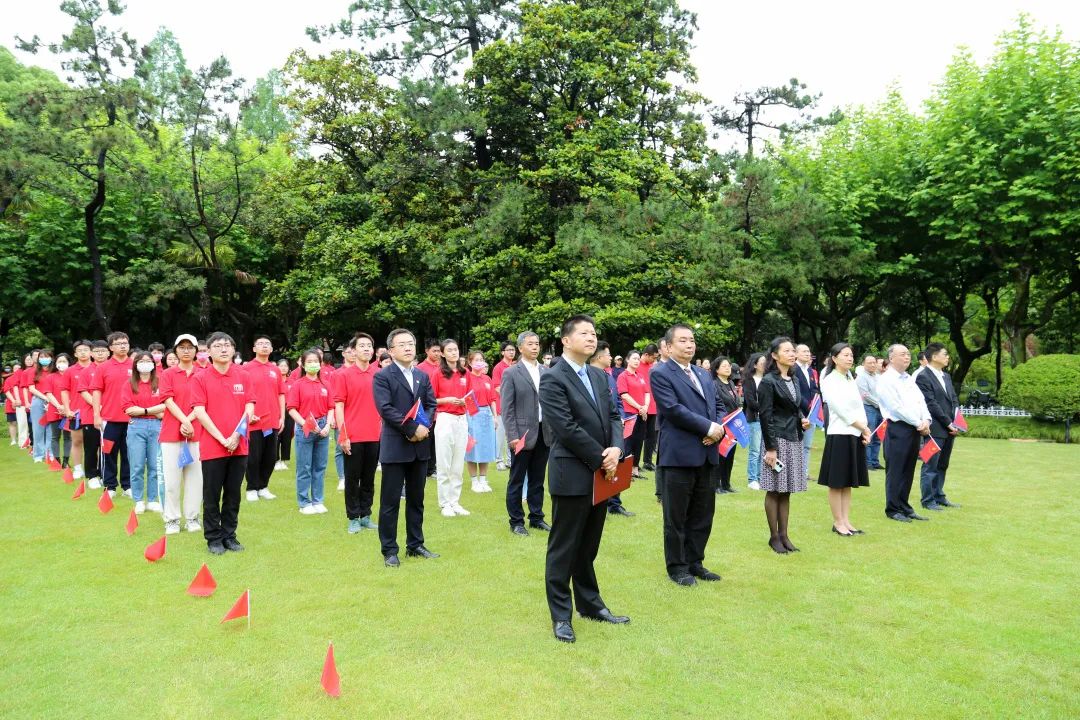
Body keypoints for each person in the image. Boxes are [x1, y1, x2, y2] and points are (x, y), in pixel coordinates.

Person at [539, 314, 628, 643]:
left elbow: (615, 415)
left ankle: (590, 605)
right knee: (564, 547)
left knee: (588, 545)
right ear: (566, 340)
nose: (592, 338)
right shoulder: (553, 378)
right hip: (573, 472)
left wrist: (617, 449)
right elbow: (565, 427)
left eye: (594, 333)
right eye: (584, 333)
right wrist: (602, 457)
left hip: (603, 472)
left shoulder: (599, 375)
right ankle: (561, 615)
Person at [650, 325, 724, 585]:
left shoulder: (703, 374)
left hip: (707, 453)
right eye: (682, 340)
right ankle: (678, 567)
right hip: (679, 455)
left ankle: (695, 562)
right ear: (669, 346)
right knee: (676, 516)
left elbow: (717, 404)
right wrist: (708, 428)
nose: (689, 345)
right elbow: (672, 409)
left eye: (692, 340)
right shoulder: (660, 373)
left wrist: (718, 429)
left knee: (703, 514)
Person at [373, 329, 439, 567]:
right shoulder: (383, 376)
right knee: (390, 501)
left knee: (416, 499)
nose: (408, 348)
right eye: (402, 344)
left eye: (410, 343)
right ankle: (389, 550)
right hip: (396, 445)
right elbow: (385, 409)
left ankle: (416, 544)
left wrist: (424, 426)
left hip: (420, 446)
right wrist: (411, 429)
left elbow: (431, 404)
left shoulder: (422, 375)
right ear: (391, 351)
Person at [190, 332, 255, 555]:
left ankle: (229, 535)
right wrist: (222, 438)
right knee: (212, 493)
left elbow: (250, 407)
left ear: (233, 349)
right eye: (218, 346)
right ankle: (213, 538)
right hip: (213, 446)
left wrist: (237, 435)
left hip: (239, 445)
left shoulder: (243, 375)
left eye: (227, 345)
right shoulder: (200, 378)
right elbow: (199, 411)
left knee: (233, 493)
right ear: (208, 351)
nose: (224, 349)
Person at [758, 336, 811, 554]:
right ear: (774, 355)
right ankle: (774, 537)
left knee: (787, 490)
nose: (792, 354)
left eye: (793, 350)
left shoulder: (794, 379)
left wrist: (802, 419)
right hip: (777, 440)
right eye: (787, 351)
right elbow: (765, 416)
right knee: (774, 489)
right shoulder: (768, 381)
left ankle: (784, 535)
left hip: (794, 437)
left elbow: (794, 408)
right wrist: (771, 448)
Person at [817, 343, 871, 536]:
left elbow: (859, 407)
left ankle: (846, 521)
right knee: (837, 481)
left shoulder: (849, 378)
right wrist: (863, 427)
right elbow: (840, 409)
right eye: (845, 355)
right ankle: (838, 522)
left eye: (851, 355)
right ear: (834, 358)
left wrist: (864, 429)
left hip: (855, 433)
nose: (850, 358)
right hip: (839, 434)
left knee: (848, 481)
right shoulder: (830, 380)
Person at [500, 331, 550, 536]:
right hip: (521, 434)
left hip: (544, 432)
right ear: (520, 348)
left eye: (537, 343)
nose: (535, 347)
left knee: (538, 479)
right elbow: (507, 408)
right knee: (517, 479)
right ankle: (516, 521)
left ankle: (536, 517)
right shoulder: (511, 373)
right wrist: (512, 435)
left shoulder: (546, 371)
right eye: (530, 344)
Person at [876, 344, 932, 523]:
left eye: (908, 354)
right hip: (898, 428)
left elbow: (921, 401)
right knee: (896, 469)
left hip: (915, 429)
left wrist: (926, 420)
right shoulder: (886, 379)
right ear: (891, 358)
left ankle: (904, 506)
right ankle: (893, 508)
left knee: (908, 469)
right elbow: (895, 407)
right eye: (902, 354)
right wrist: (918, 422)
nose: (907, 357)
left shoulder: (908, 378)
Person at [335, 333, 382, 534]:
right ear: (353, 351)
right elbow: (339, 406)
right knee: (352, 479)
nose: (366, 349)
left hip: (374, 435)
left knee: (369, 479)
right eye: (362, 345)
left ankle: (366, 515)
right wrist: (343, 435)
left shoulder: (379, 374)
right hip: (353, 435)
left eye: (369, 345)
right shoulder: (343, 375)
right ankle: (353, 517)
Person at [159, 334, 203, 535]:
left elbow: (204, 402)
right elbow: (168, 400)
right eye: (182, 347)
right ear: (175, 350)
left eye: (190, 347)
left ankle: (192, 517)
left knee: (195, 479)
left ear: (196, 351)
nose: (186, 351)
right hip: (171, 433)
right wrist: (185, 421)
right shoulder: (168, 374)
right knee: (172, 480)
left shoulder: (203, 373)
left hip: (198, 432)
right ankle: (172, 519)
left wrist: (190, 420)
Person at [915, 342, 962, 512]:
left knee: (942, 464)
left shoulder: (946, 376)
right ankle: (927, 500)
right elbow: (931, 404)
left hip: (949, 429)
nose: (948, 357)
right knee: (930, 465)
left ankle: (938, 495)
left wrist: (957, 421)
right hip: (933, 429)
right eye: (945, 354)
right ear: (934, 357)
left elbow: (954, 399)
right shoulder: (923, 376)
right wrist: (948, 423)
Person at [590, 341, 634, 517]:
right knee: (601, 464)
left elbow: (617, 401)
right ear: (598, 356)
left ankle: (614, 503)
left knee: (617, 462)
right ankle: (598, 502)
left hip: (615, 428)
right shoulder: (587, 376)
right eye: (608, 355)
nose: (611, 358)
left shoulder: (608, 376)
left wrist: (621, 417)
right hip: (599, 430)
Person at [288, 349, 334, 515]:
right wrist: (305, 424)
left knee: (320, 467)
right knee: (304, 467)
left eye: (316, 361)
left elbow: (331, 407)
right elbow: (292, 409)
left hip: (322, 427)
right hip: (305, 427)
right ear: (303, 364)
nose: (313, 364)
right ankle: (304, 502)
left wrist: (327, 425)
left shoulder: (326, 384)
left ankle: (318, 500)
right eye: (309, 361)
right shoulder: (298, 384)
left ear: (321, 364)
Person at [120, 351, 166, 514]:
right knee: (137, 465)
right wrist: (153, 410)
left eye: (148, 360)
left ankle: (152, 499)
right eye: (141, 361)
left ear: (153, 364)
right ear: (135, 364)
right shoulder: (129, 384)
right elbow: (128, 409)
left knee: (154, 465)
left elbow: (166, 405)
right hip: (136, 426)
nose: (145, 364)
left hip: (157, 426)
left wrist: (144, 410)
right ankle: (138, 500)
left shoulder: (160, 382)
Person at [431, 339, 472, 517]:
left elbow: (471, 396)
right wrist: (446, 400)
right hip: (445, 418)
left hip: (461, 419)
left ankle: (455, 501)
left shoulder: (465, 373)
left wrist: (465, 401)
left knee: (457, 464)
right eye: (449, 350)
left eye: (455, 349)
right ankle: (444, 503)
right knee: (444, 462)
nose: (454, 353)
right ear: (442, 353)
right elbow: (430, 399)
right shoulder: (438, 373)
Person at [243, 335, 286, 502]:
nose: (264, 346)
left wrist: (282, 416)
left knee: (270, 457)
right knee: (253, 457)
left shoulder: (275, 370)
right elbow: (242, 395)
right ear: (254, 348)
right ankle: (251, 487)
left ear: (271, 348)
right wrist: (247, 415)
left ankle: (263, 486)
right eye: (260, 344)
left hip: (272, 420)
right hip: (254, 421)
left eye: (267, 344)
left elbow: (281, 394)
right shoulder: (246, 368)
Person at [91, 332, 134, 497]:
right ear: (111, 347)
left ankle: (127, 486)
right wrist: (96, 415)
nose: (123, 346)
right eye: (118, 343)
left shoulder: (135, 365)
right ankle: (110, 486)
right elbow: (96, 392)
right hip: (109, 419)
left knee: (129, 454)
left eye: (125, 343)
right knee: (108, 453)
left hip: (131, 419)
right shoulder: (103, 367)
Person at [77, 341, 110, 488]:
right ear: (91, 354)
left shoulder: (111, 369)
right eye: (97, 351)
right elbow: (84, 392)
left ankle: (105, 474)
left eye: (103, 351)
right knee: (91, 447)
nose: (100, 354)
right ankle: (92, 475)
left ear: (108, 352)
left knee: (107, 447)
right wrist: (98, 405)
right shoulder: (86, 371)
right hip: (90, 415)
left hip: (110, 415)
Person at [464, 349, 497, 494]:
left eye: (481, 360)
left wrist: (495, 416)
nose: (479, 362)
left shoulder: (487, 379)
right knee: (472, 447)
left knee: (485, 448)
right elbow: (465, 398)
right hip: (472, 414)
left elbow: (493, 399)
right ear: (470, 362)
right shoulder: (466, 378)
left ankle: (483, 480)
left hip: (486, 414)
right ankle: (474, 481)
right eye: (476, 360)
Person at [616, 350, 650, 479]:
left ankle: (635, 469)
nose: (637, 361)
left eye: (638, 359)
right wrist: (639, 407)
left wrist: (645, 407)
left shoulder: (640, 376)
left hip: (642, 413)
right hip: (629, 414)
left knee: (639, 441)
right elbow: (624, 395)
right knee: (628, 442)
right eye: (634, 358)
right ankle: (626, 471)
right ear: (627, 360)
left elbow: (647, 393)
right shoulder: (623, 376)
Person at [711, 356, 740, 495]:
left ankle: (726, 483)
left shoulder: (731, 383)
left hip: (734, 425)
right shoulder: (714, 384)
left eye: (729, 365)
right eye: (724, 366)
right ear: (716, 369)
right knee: (720, 455)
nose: (728, 368)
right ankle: (716, 485)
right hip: (722, 424)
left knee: (730, 455)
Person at [793, 344, 819, 482]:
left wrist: (814, 403)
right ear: (796, 354)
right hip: (798, 412)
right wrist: (807, 405)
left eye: (808, 351)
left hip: (811, 412)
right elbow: (795, 392)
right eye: (804, 351)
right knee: (797, 444)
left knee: (807, 445)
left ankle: (804, 472)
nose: (807, 353)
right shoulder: (793, 369)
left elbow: (814, 389)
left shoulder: (809, 370)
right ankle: (795, 472)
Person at [856, 354, 884, 470]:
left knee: (878, 436)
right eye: (869, 363)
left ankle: (874, 461)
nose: (872, 365)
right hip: (869, 408)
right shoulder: (861, 377)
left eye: (874, 362)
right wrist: (879, 404)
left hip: (880, 409)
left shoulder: (878, 377)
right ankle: (867, 462)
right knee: (869, 434)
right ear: (863, 364)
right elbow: (865, 395)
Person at [742, 353, 766, 491]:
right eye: (762, 362)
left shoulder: (768, 379)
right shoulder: (749, 380)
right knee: (755, 450)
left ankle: (760, 477)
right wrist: (765, 409)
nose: (765, 365)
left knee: (764, 450)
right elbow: (750, 401)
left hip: (767, 419)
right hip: (755, 418)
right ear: (755, 365)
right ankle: (752, 479)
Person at [491, 341, 517, 471]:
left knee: (511, 435)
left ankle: (510, 460)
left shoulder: (516, 366)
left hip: (514, 407)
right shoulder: (498, 367)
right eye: (508, 350)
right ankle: (499, 460)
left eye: (513, 350)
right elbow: (496, 387)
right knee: (500, 436)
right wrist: (511, 395)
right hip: (502, 406)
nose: (511, 352)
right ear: (502, 352)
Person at [43, 353, 72, 466]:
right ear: (55, 363)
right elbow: (48, 393)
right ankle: (56, 461)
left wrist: (66, 407)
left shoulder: (72, 375)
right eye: (59, 361)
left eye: (64, 361)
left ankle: (66, 461)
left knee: (68, 437)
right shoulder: (50, 377)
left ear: (69, 363)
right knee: (55, 436)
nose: (62, 363)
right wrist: (59, 406)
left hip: (70, 410)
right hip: (54, 410)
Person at [28, 349, 56, 463]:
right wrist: (46, 398)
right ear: (38, 359)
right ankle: (38, 455)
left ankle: (50, 453)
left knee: (51, 429)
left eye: (47, 356)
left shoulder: (55, 371)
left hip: (53, 401)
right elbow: (31, 388)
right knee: (38, 428)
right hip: (38, 401)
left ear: (51, 358)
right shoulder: (34, 371)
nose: (44, 359)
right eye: (42, 357)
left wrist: (51, 400)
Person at [639, 343, 659, 471]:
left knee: (652, 436)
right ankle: (634, 464)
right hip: (641, 407)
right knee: (639, 436)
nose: (654, 360)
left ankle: (647, 461)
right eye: (653, 357)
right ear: (646, 354)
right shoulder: (636, 365)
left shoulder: (653, 367)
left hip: (653, 405)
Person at [276, 358, 294, 470]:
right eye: (281, 366)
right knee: (276, 435)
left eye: (285, 366)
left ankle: (283, 460)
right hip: (276, 410)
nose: (283, 368)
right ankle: (276, 460)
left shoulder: (292, 382)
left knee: (287, 436)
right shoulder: (274, 380)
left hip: (289, 411)